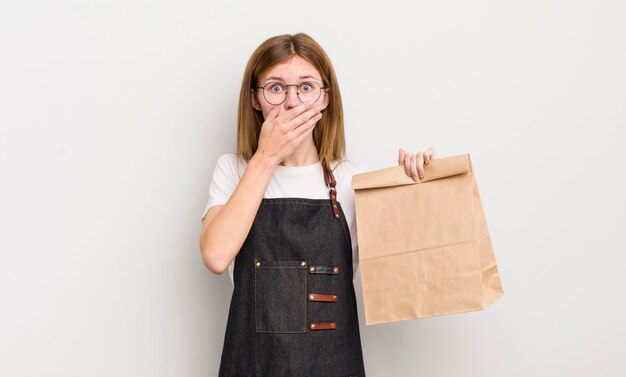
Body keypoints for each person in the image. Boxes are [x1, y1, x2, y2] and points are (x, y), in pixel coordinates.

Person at [199, 33, 435, 377]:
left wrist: (417, 189)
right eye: (276, 88)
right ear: (254, 99)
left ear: (325, 99)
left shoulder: (353, 180)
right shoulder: (235, 170)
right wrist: (266, 157)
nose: (292, 103)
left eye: (306, 87)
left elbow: (408, 276)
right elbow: (216, 256)